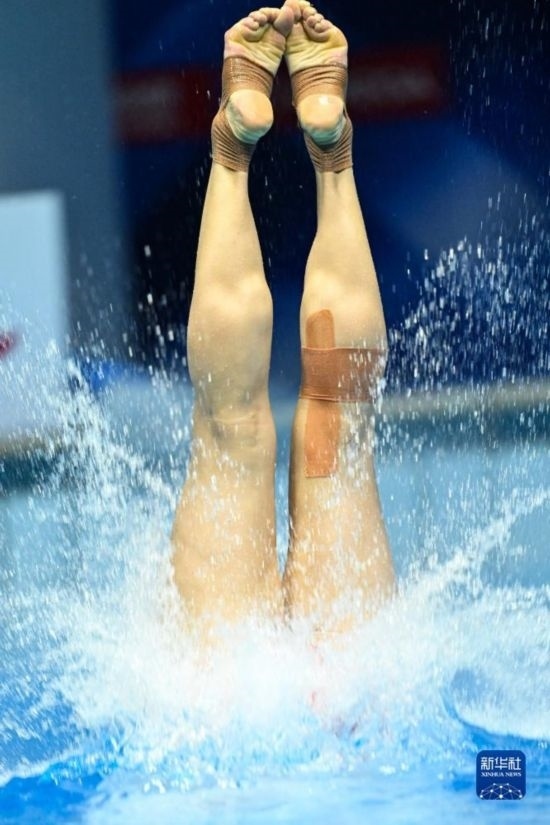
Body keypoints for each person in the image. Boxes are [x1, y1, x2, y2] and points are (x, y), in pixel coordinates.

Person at [171, 0, 395, 641]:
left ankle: (233, 147)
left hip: (232, 685)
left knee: (230, 430)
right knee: (334, 422)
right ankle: (332, 152)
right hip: (346, 690)